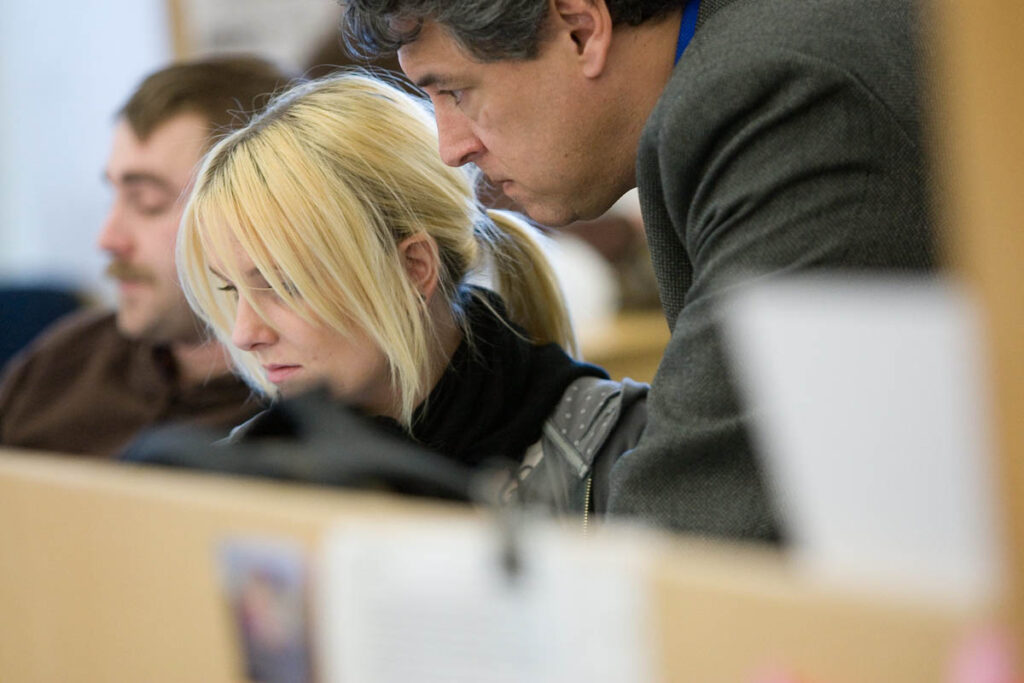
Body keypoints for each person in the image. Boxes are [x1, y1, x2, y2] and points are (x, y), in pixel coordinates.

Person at [339, 0, 935, 539]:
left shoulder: (766, 86)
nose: (451, 148)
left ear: (580, 30)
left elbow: (696, 516)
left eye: (454, 92)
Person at [173, 73, 647, 514]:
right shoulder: (234, 484)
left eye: (282, 286)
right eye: (232, 290)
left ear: (414, 268)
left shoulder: (629, 452)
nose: (243, 334)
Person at [0, 56, 295, 457]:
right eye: (115, 195)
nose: (108, 238)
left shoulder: (303, 405)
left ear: (246, 206)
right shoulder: (65, 359)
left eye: (147, 202)